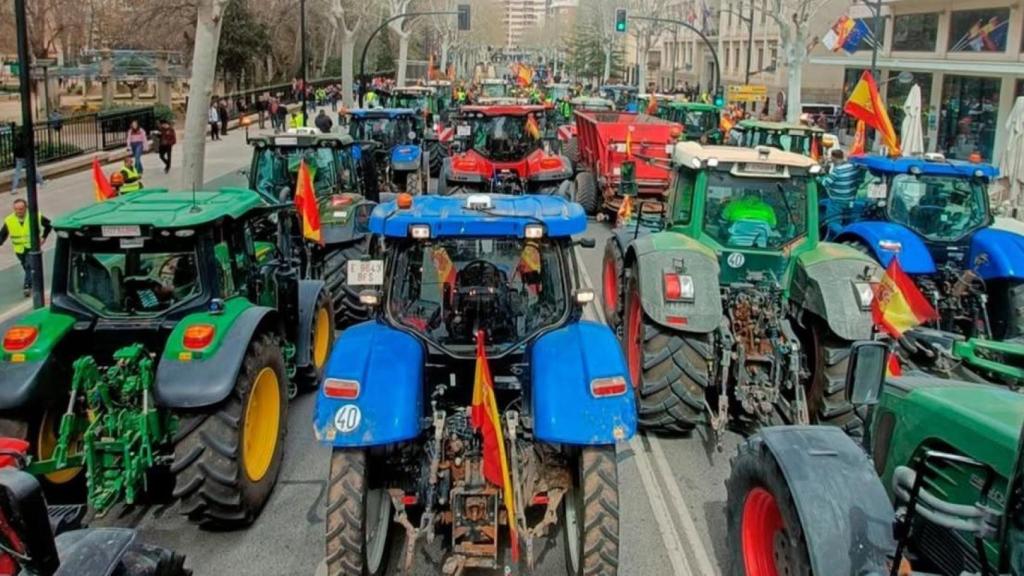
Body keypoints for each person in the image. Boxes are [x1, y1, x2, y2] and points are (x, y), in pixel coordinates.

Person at [0, 198, 51, 297]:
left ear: (26, 208)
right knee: (26, 266)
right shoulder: (9, 220)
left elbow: (49, 225)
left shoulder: (35, 216)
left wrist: (44, 237)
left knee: (29, 265)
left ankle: (27, 286)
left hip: (32, 247)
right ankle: (32, 278)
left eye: (21, 209)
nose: (19, 211)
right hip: (19, 249)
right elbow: (2, 235)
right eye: (16, 209)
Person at [10, 126, 43, 194]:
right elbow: (34, 146)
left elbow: (15, 148)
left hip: (19, 157)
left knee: (17, 173)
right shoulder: (28, 138)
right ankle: (41, 182)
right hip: (28, 156)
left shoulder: (17, 138)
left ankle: (14, 188)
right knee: (34, 169)